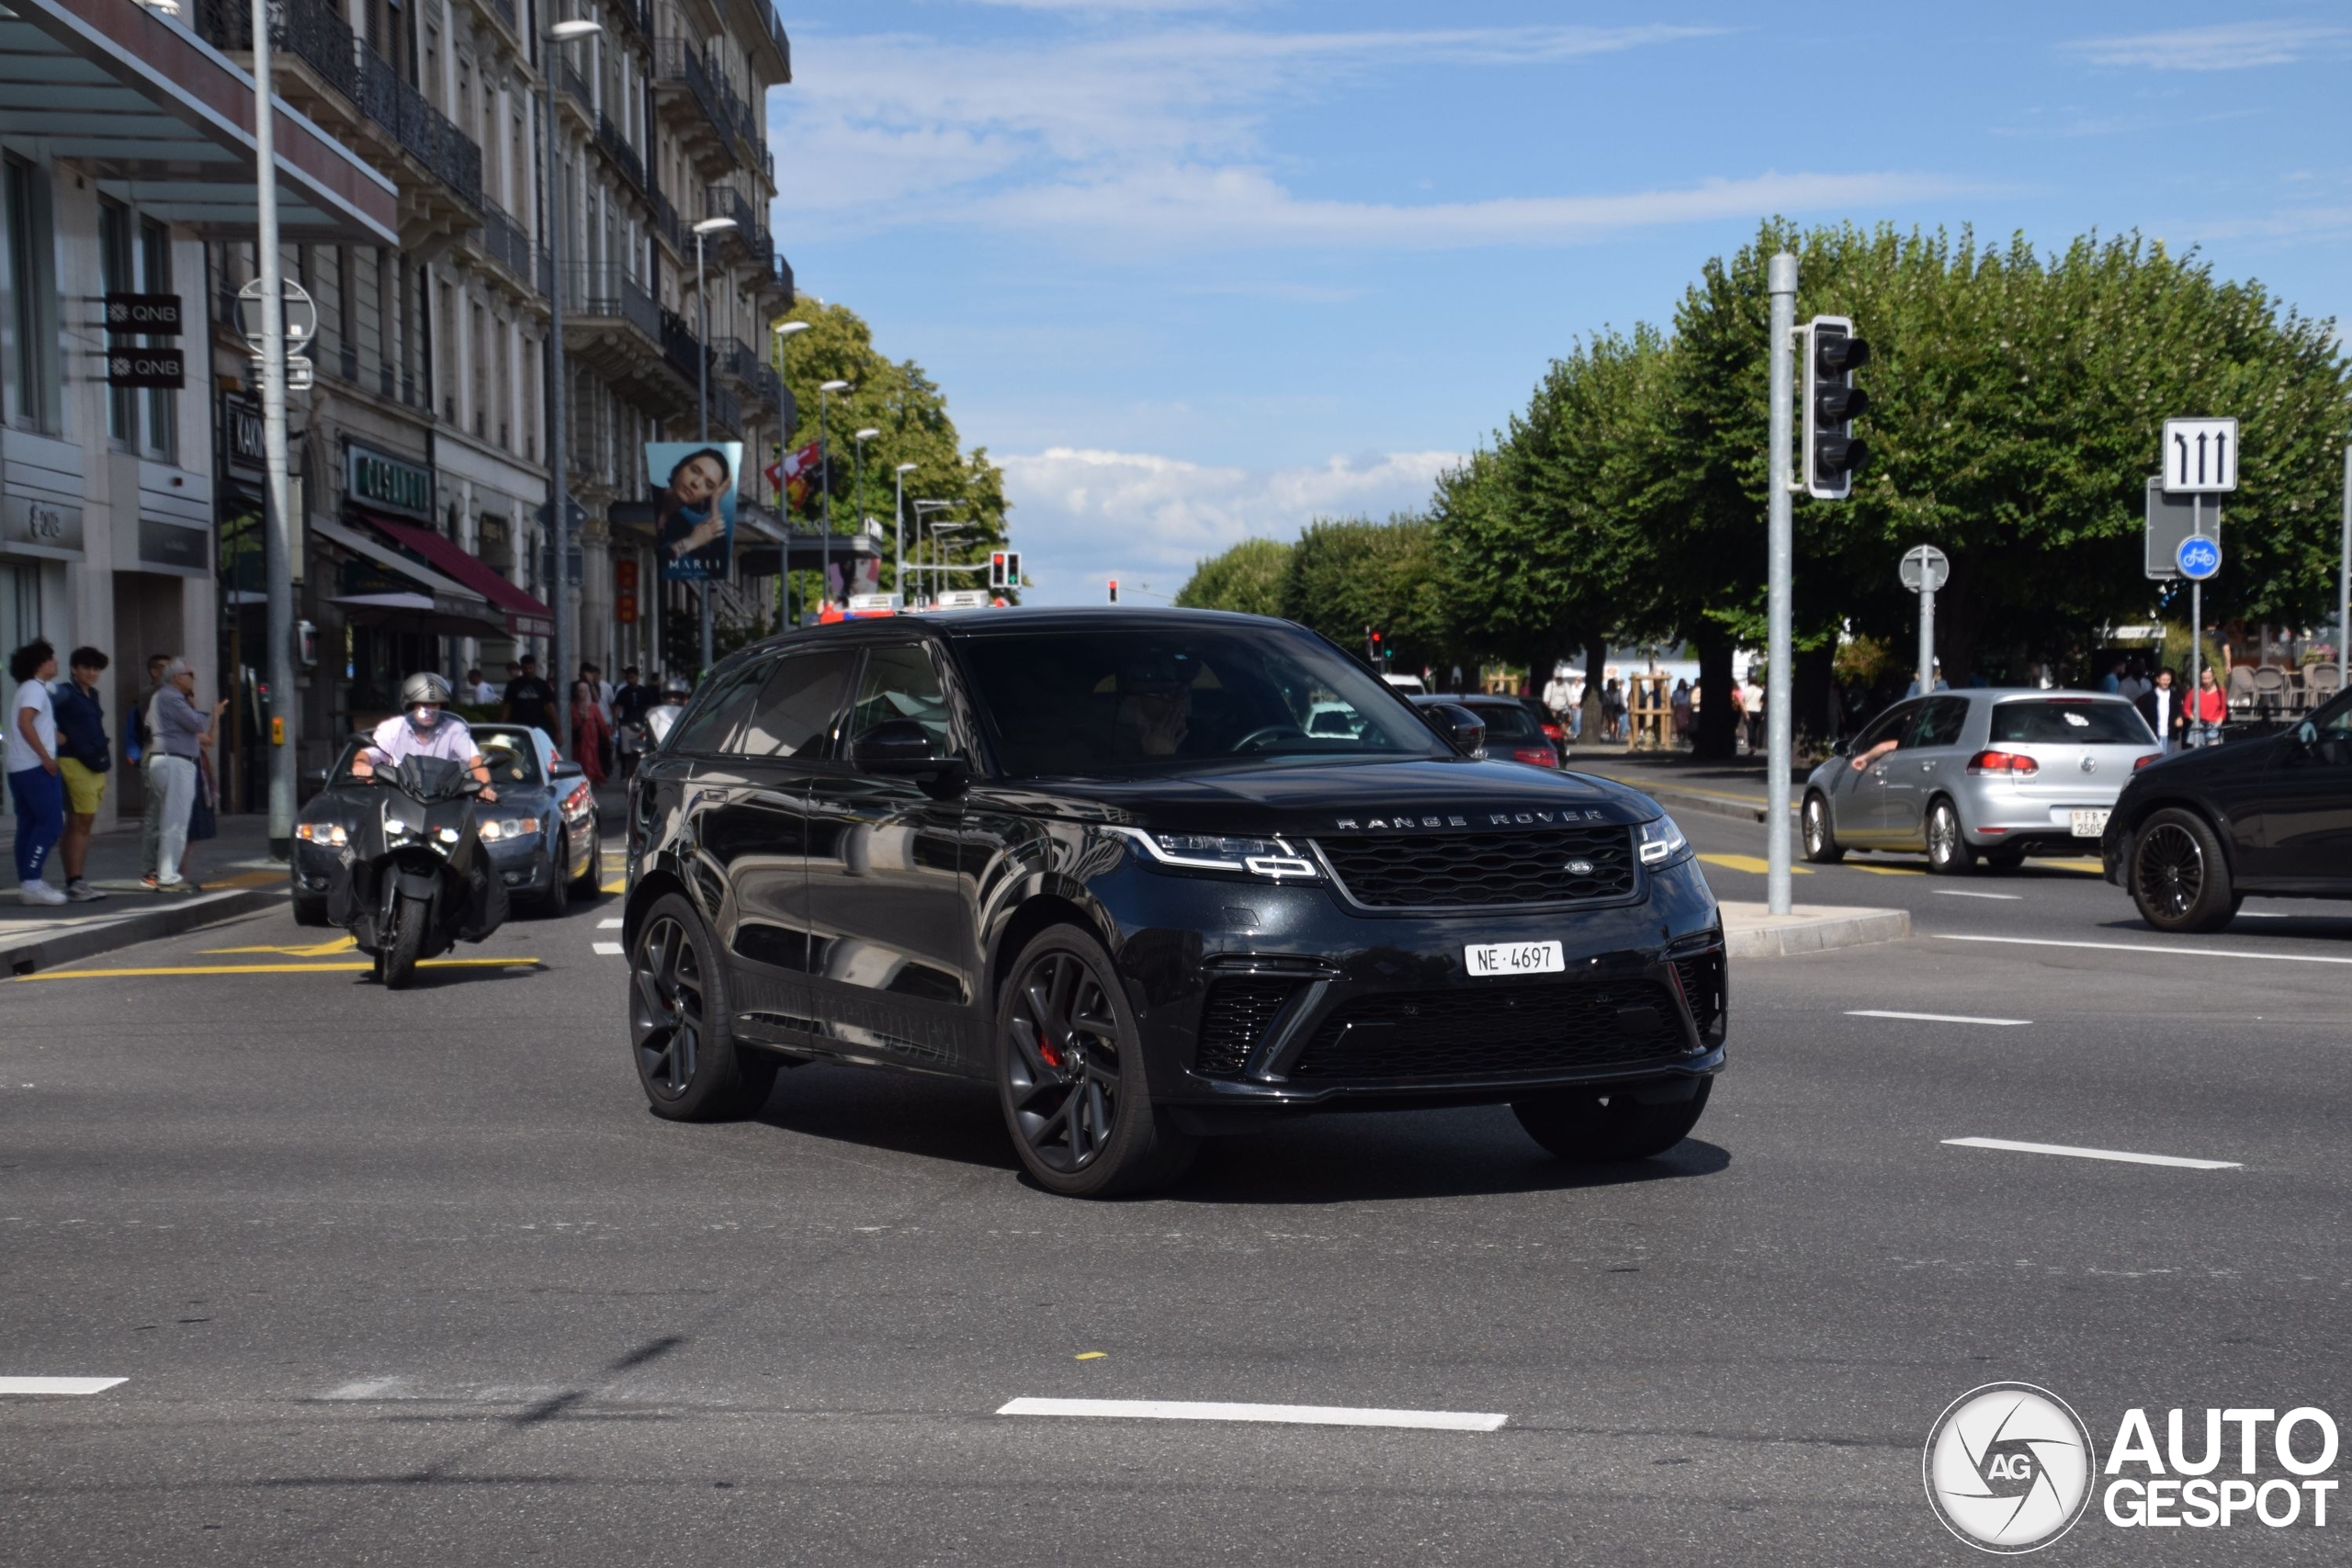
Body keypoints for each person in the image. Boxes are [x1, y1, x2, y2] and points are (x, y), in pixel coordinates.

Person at [351, 673, 498, 799]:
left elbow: (474, 760)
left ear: (442, 707)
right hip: (399, 796)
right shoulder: (392, 728)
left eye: (434, 705)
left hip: (444, 799)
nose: (429, 711)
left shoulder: (454, 729)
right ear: (410, 706)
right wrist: (361, 765)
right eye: (423, 705)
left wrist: (485, 787)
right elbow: (370, 752)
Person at [149, 658, 227, 893]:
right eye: (190, 674)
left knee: (173, 821)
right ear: (177, 677)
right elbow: (196, 723)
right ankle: (168, 875)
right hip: (175, 761)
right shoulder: (170, 696)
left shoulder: (162, 697)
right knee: (176, 822)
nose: (193, 678)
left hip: (169, 760)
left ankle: (168, 873)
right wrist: (212, 714)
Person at [7, 640, 67, 905]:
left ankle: (29, 881)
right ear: (38, 664)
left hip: (19, 767)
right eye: (50, 659)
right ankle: (32, 882)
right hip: (35, 767)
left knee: (30, 824)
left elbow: (30, 723)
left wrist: (55, 738)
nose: (55, 662)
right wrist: (46, 757)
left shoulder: (27, 689)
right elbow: (25, 722)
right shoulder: (35, 689)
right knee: (52, 823)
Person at [51, 647, 111, 901]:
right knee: (79, 824)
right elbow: (34, 707)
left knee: (81, 824)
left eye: (96, 668)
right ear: (74, 669)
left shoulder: (91, 694)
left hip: (92, 762)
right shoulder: (65, 691)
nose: (91, 672)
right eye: (86, 667)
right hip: (73, 762)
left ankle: (76, 880)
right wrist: (54, 735)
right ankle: (75, 882)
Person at [654, 448, 733, 572]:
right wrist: (691, 542)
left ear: (707, 497)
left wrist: (715, 501)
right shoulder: (650, 495)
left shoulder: (680, 525)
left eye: (709, 485)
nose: (696, 483)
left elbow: (718, 568)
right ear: (682, 466)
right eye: (695, 471)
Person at [135, 651, 170, 886]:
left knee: (166, 816)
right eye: (168, 669)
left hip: (168, 756)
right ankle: (150, 870)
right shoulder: (153, 694)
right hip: (155, 756)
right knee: (155, 816)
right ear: (154, 671)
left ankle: (164, 867)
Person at [612, 665, 657, 778]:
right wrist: (615, 724)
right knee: (626, 752)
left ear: (637, 677)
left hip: (641, 725)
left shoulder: (644, 691)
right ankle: (629, 773)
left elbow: (650, 708)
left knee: (640, 752)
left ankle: (636, 774)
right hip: (627, 724)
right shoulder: (623, 692)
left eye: (632, 677)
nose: (630, 680)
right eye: (628, 678)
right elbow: (617, 709)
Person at [569, 679, 609, 786]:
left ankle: (589, 780)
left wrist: (607, 737)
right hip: (578, 738)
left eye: (583, 691)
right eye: (579, 691)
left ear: (587, 692)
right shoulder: (573, 707)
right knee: (578, 759)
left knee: (589, 759)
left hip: (591, 738)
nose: (580, 694)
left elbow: (601, 723)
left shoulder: (593, 707)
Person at [502, 654, 556, 734]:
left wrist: (557, 730)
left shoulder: (542, 685)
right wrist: (502, 725)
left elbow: (550, 707)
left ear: (534, 667)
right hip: (518, 725)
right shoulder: (513, 685)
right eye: (526, 668)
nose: (528, 671)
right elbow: (507, 706)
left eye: (531, 668)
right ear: (522, 668)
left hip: (538, 726)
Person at [2135, 668, 2177, 751]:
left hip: (2169, 734)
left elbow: (2178, 711)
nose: (2166, 682)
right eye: (2163, 679)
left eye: (2168, 679)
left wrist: (2178, 719)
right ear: (2157, 679)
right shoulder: (2147, 698)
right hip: (2154, 733)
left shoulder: (2175, 696)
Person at [2183, 665, 2225, 748]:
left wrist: (2219, 722)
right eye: (2204, 678)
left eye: (2209, 678)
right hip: (2199, 725)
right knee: (2198, 753)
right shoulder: (2194, 691)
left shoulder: (2221, 692)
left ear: (2213, 677)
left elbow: (2223, 711)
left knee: (2213, 753)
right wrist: (2195, 719)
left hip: (2214, 726)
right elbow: (2186, 709)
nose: (2206, 681)